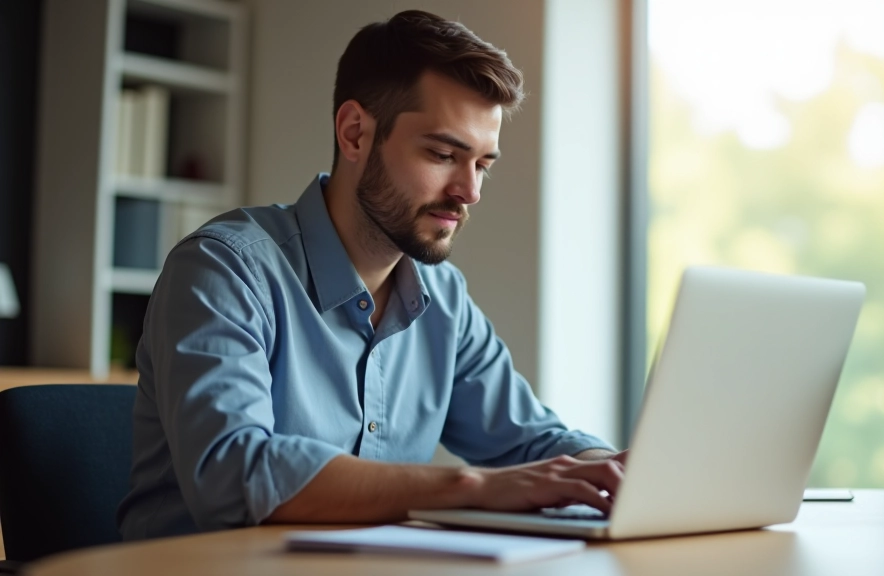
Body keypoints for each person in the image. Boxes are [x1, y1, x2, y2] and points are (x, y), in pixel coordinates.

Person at [117, 10, 626, 540]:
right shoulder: (224, 271)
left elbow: (534, 442)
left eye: (482, 165)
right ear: (355, 133)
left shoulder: (443, 299)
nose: (470, 192)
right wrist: (471, 487)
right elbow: (235, 473)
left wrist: (615, 471)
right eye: (443, 154)